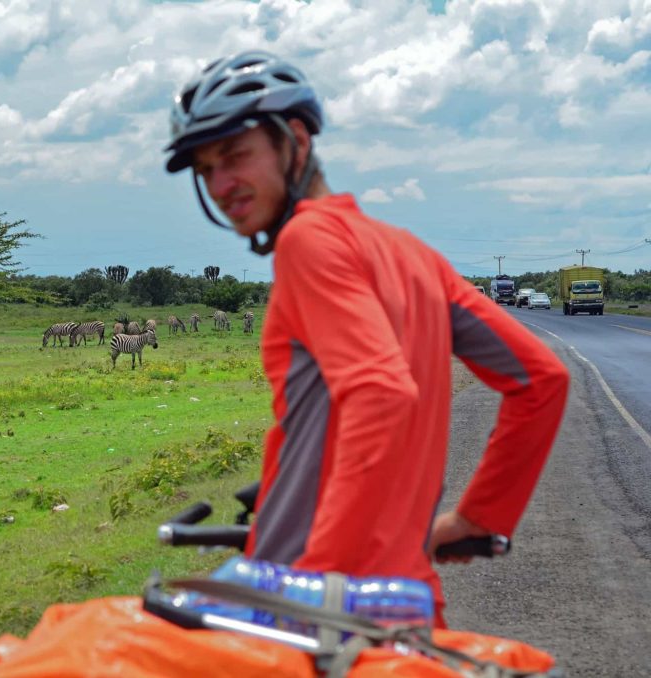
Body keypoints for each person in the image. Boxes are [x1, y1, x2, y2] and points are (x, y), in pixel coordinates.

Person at [163, 51, 569, 627]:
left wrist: (313, 588)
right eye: (205, 171)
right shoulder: (414, 255)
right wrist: (481, 518)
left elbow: (381, 394)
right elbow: (542, 379)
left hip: (326, 618)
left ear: (295, 140)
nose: (221, 184)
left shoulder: (307, 241)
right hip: (407, 602)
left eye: (234, 155)